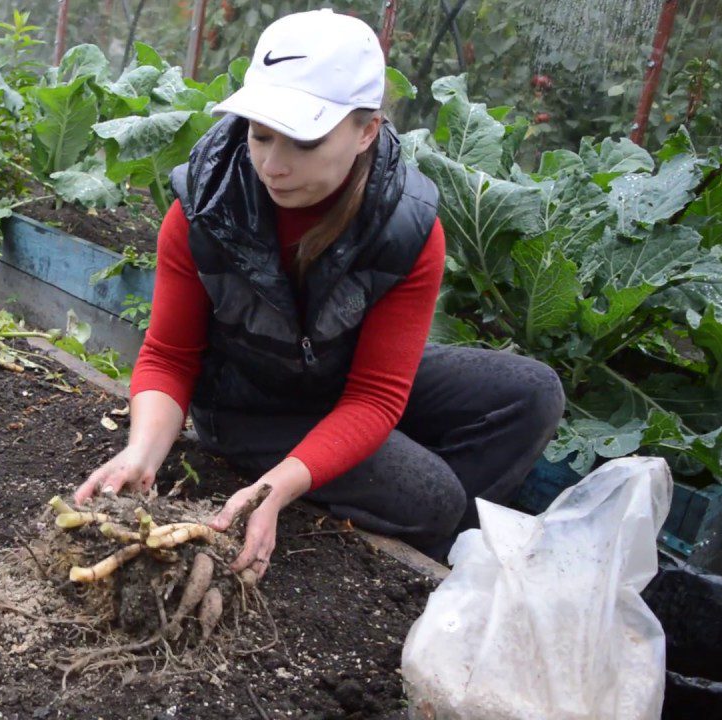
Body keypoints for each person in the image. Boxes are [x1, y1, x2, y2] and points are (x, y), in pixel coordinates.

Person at [72, 9, 565, 579]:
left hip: (338, 379)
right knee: (433, 497)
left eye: (303, 141)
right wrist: (143, 451)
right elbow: (169, 355)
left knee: (531, 393)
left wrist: (284, 482)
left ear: (367, 131)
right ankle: (418, 520)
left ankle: (434, 547)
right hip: (246, 401)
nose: (273, 166)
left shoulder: (405, 229)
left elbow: (377, 395)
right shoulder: (204, 209)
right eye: (260, 134)